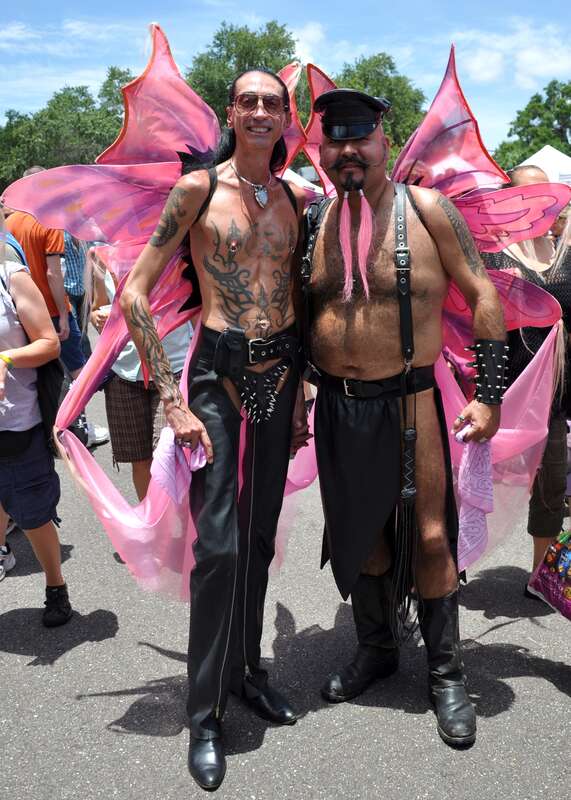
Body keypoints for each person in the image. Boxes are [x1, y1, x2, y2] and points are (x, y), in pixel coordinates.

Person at [119, 69, 309, 790]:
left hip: (279, 378)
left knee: (257, 539)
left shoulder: (294, 198)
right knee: (220, 548)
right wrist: (170, 397)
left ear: (285, 117)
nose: (260, 111)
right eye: (248, 101)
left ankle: (247, 672)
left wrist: (300, 392)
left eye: (272, 103)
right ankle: (204, 717)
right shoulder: (197, 189)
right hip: (213, 380)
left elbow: (295, 296)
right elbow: (135, 293)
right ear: (232, 112)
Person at [301, 89, 506, 748]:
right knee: (361, 537)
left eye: (360, 138)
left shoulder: (428, 211)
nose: (348, 151)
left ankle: (446, 673)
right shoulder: (313, 219)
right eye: (335, 140)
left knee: (430, 538)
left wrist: (489, 394)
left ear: (383, 143)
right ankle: (378, 650)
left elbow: (483, 295)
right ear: (322, 151)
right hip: (339, 406)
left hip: (411, 399)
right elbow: (294, 311)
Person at [482, 165, 571, 594]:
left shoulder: (560, 252)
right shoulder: (491, 256)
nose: (542, 203)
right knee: (469, 478)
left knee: (552, 484)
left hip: (553, 393)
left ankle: (541, 577)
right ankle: (444, 563)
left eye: (547, 194)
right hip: (502, 391)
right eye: (530, 194)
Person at [0, 225, 73, 625]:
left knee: (32, 514)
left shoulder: (11, 277)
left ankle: (55, 585)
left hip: (15, 423)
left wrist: (6, 359)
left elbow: (49, 342)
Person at [4, 170, 108, 448]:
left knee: (40, 373)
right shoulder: (49, 222)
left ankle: (51, 428)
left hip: (22, 311)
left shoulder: (11, 221)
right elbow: (53, 273)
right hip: (49, 308)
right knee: (78, 371)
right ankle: (79, 429)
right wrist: (63, 312)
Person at [90, 256, 193, 500]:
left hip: (172, 367)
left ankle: (176, 518)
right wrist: (96, 317)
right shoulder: (103, 256)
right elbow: (98, 307)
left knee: (167, 455)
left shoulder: (174, 249)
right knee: (140, 460)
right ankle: (150, 518)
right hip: (124, 371)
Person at [63, 231, 92, 361]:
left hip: (83, 290)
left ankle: (88, 362)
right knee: (76, 332)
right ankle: (85, 363)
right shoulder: (61, 236)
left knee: (84, 329)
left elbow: (87, 262)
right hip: (67, 292)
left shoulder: (83, 235)